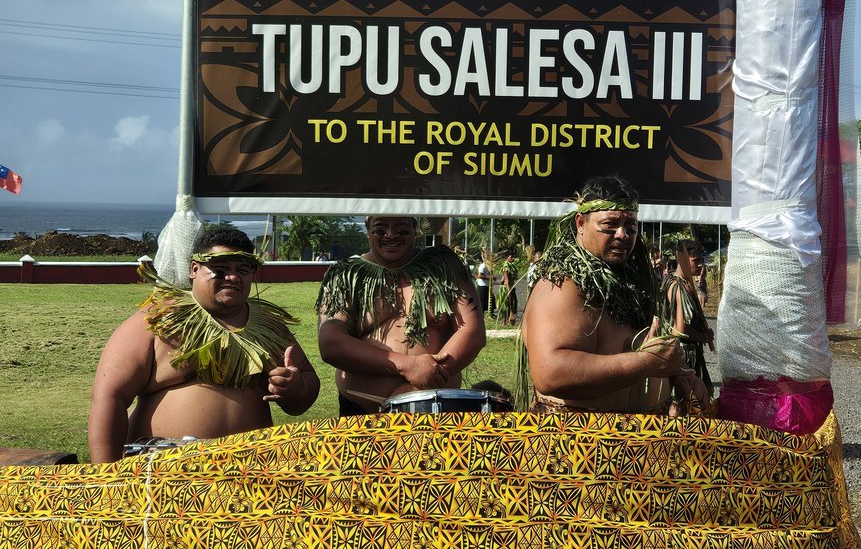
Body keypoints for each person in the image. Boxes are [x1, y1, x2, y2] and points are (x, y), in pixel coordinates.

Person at [88, 225, 319, 462]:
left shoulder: (269, 329)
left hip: (251, 469)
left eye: (243, 269)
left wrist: (295, 387)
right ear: (194, 270)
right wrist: (106, 476)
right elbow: (109, 396)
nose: (232, 277)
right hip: (165, 468)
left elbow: (303, 394)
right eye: (220, 269)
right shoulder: (158, 322)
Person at [523, 176, 709, 414]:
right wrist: (648, 363)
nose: (623, 234)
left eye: (630, 225)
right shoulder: (562, 285)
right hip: (580, 444)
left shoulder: (630, 282)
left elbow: (630, 346)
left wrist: (677, 375)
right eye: (610, 224)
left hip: (638, 440)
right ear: (581, 223)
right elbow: (551, 373)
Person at [317, 215, 486, 414]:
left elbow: (472, 330)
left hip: (434, 408)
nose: (391, 234)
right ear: (367, 226)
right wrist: (408, 366)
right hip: (362, 413)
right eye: (381, 227)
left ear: (415, 227)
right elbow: (330, 342)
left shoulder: (444, 266)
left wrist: (422, 385)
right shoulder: (345, 275)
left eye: (401, 227)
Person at [661, 238, 715, 396]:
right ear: (681, 259)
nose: (700, 264)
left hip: (690, 353)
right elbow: (680, 329)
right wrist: (703, 336)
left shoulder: (685, 283)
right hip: (684, 355)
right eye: (695, 260)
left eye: (701, 260)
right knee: (690, 402)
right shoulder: (676, 286)